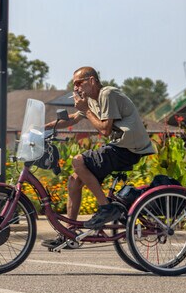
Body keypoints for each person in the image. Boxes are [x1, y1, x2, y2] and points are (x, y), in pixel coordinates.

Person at [41, 66, 156, 249]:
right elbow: (72, 119)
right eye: (74, 84)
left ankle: (106, 208)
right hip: (119, 147)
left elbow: (104, 129)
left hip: (129, 149)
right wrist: (44, 127)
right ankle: (69, 234)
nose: (76, 88)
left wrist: (86, 110)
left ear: (92, 81)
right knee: (74, 180)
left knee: (77, 161)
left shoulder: (107, 94)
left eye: (79, 83)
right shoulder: (91, 100)